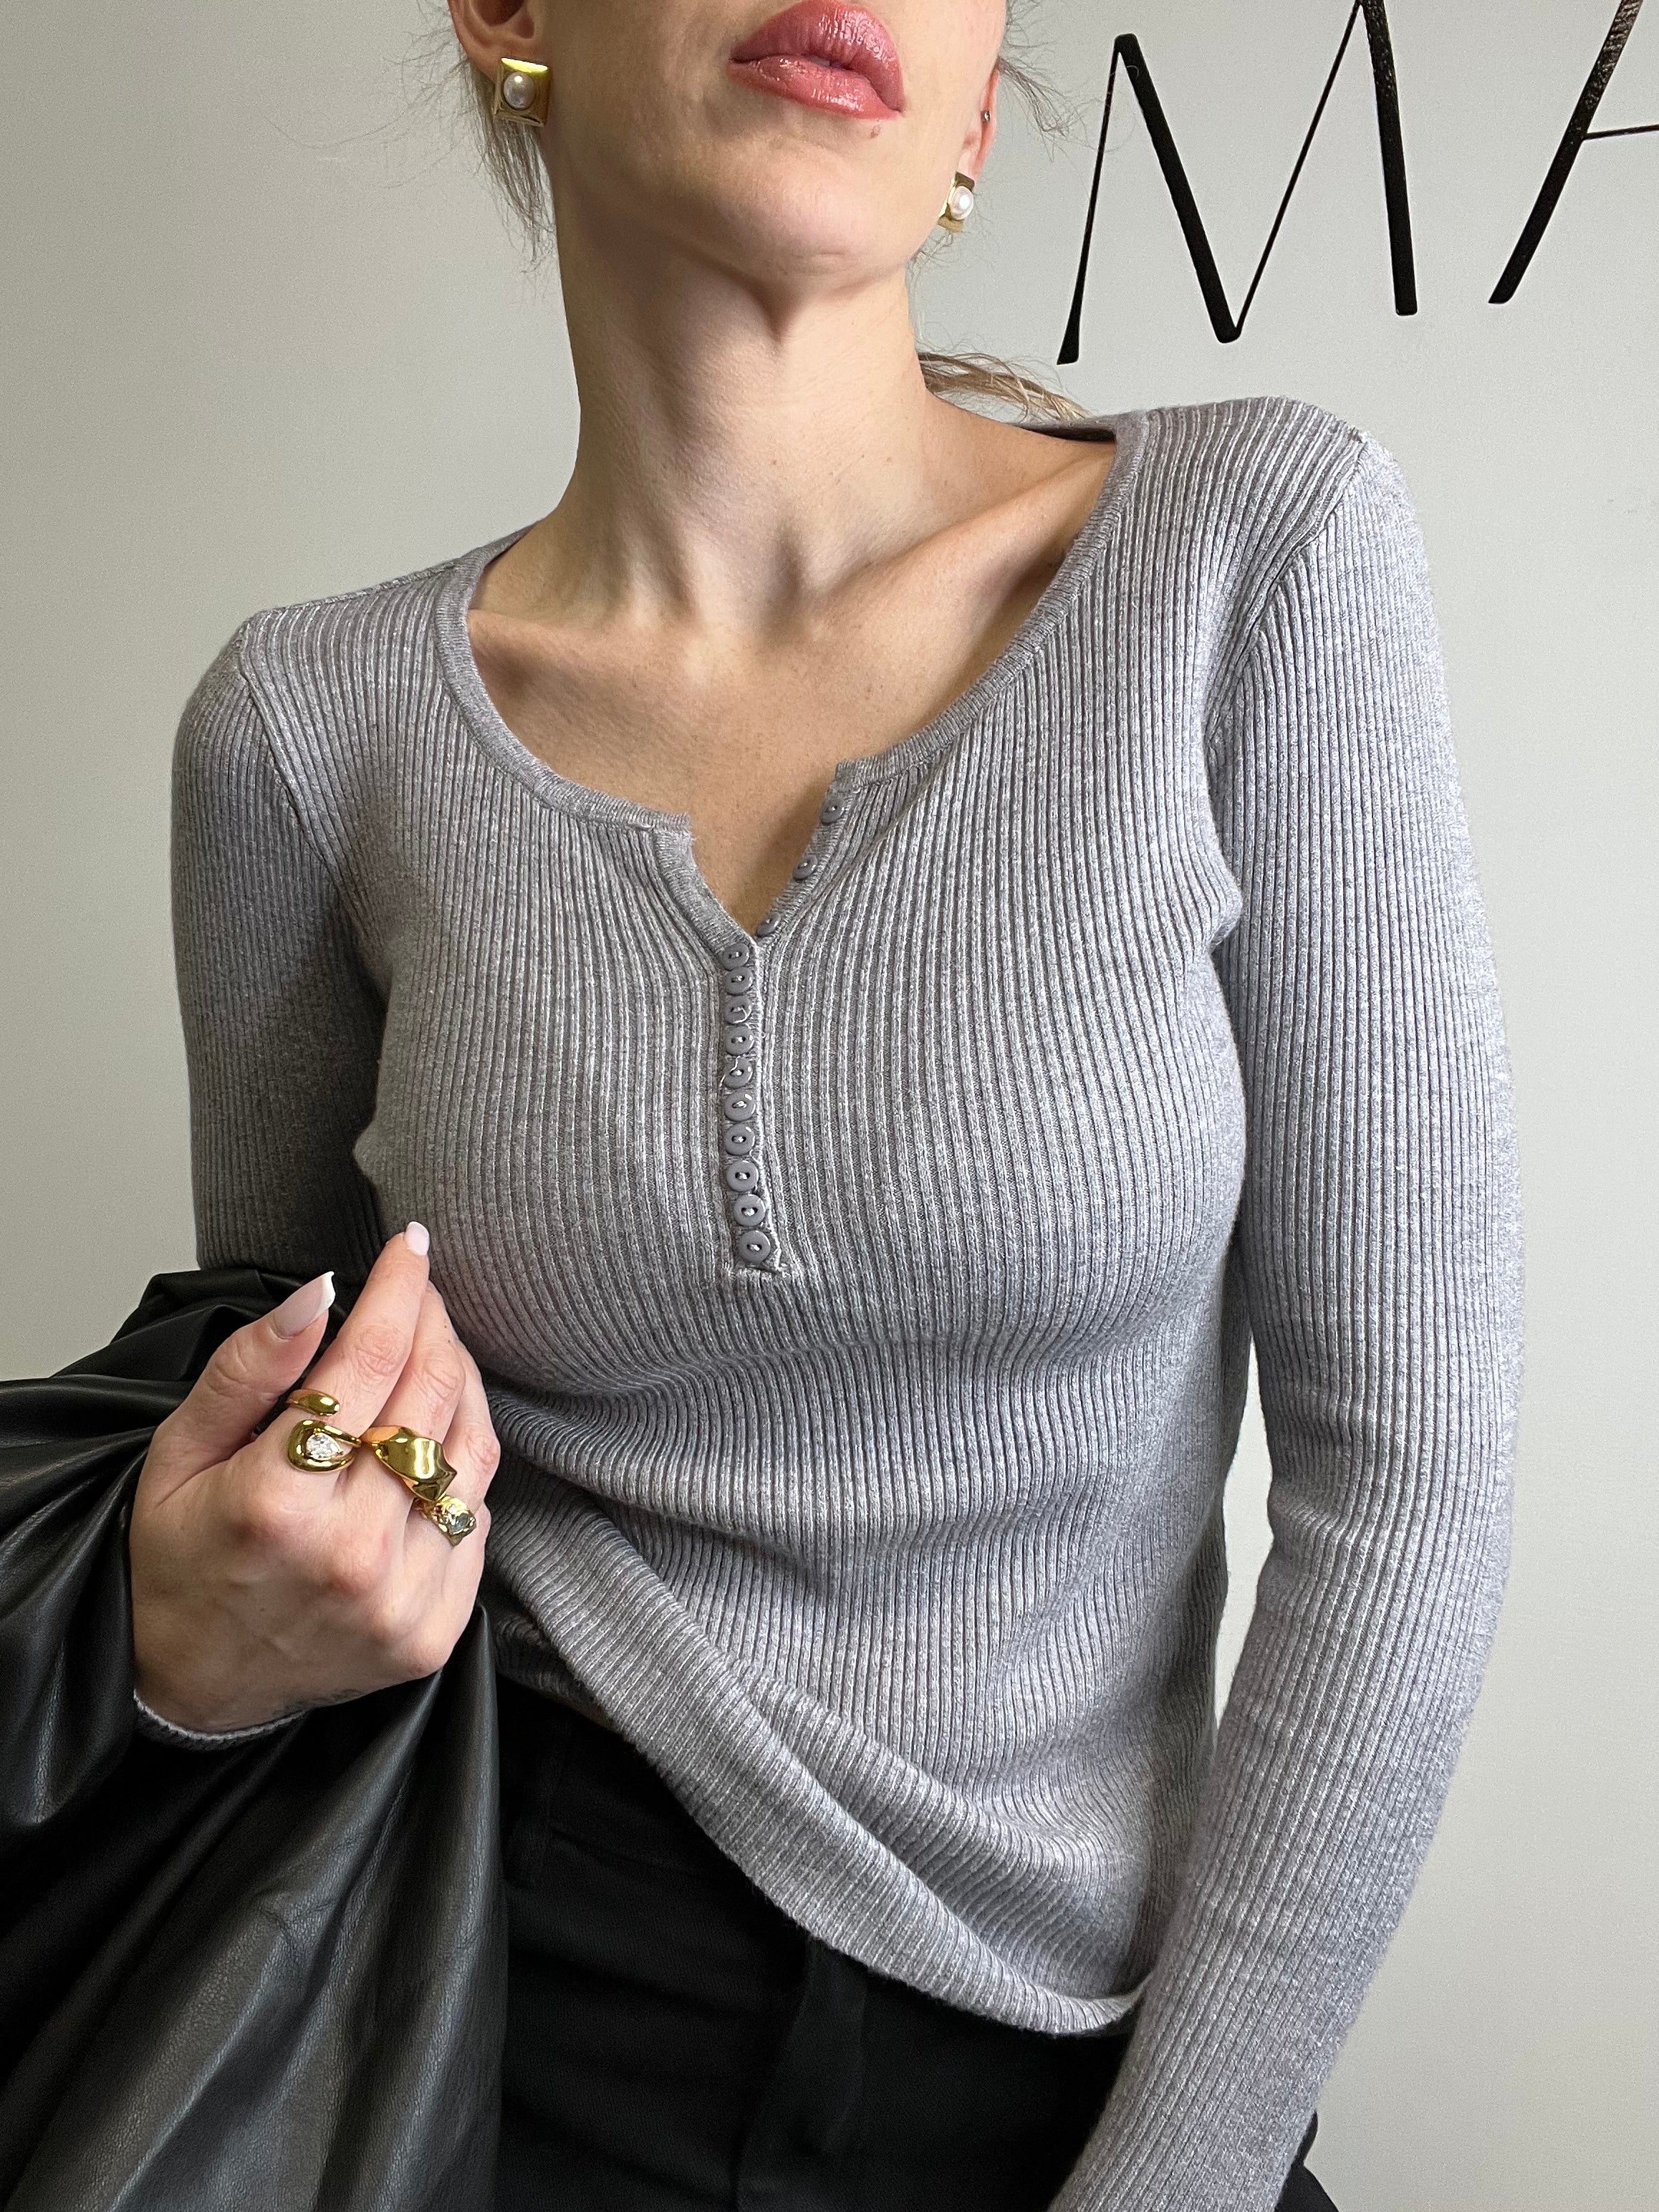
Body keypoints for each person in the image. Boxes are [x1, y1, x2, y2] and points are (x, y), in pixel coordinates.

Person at [126, 2, 1524, 2207]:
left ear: (974, 108)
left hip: (1112, 2079)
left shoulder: (1250, 552)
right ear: (510, 16)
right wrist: (184, 1662)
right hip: (505, 2037)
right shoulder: (306, 733)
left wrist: (1177, 2183)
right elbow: (294, 1471)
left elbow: (1410, 1476)